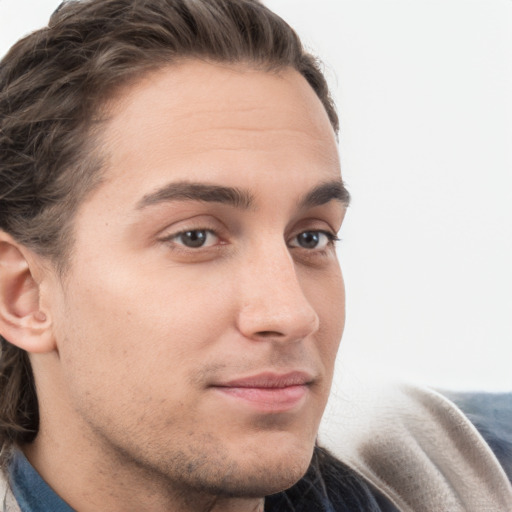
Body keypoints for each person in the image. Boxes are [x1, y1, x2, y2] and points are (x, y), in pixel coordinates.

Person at [0, 1, 510, 511]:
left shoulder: (460, 463)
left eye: (310, 238)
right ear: (23, 296)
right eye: (195, 237)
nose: (291, 314)